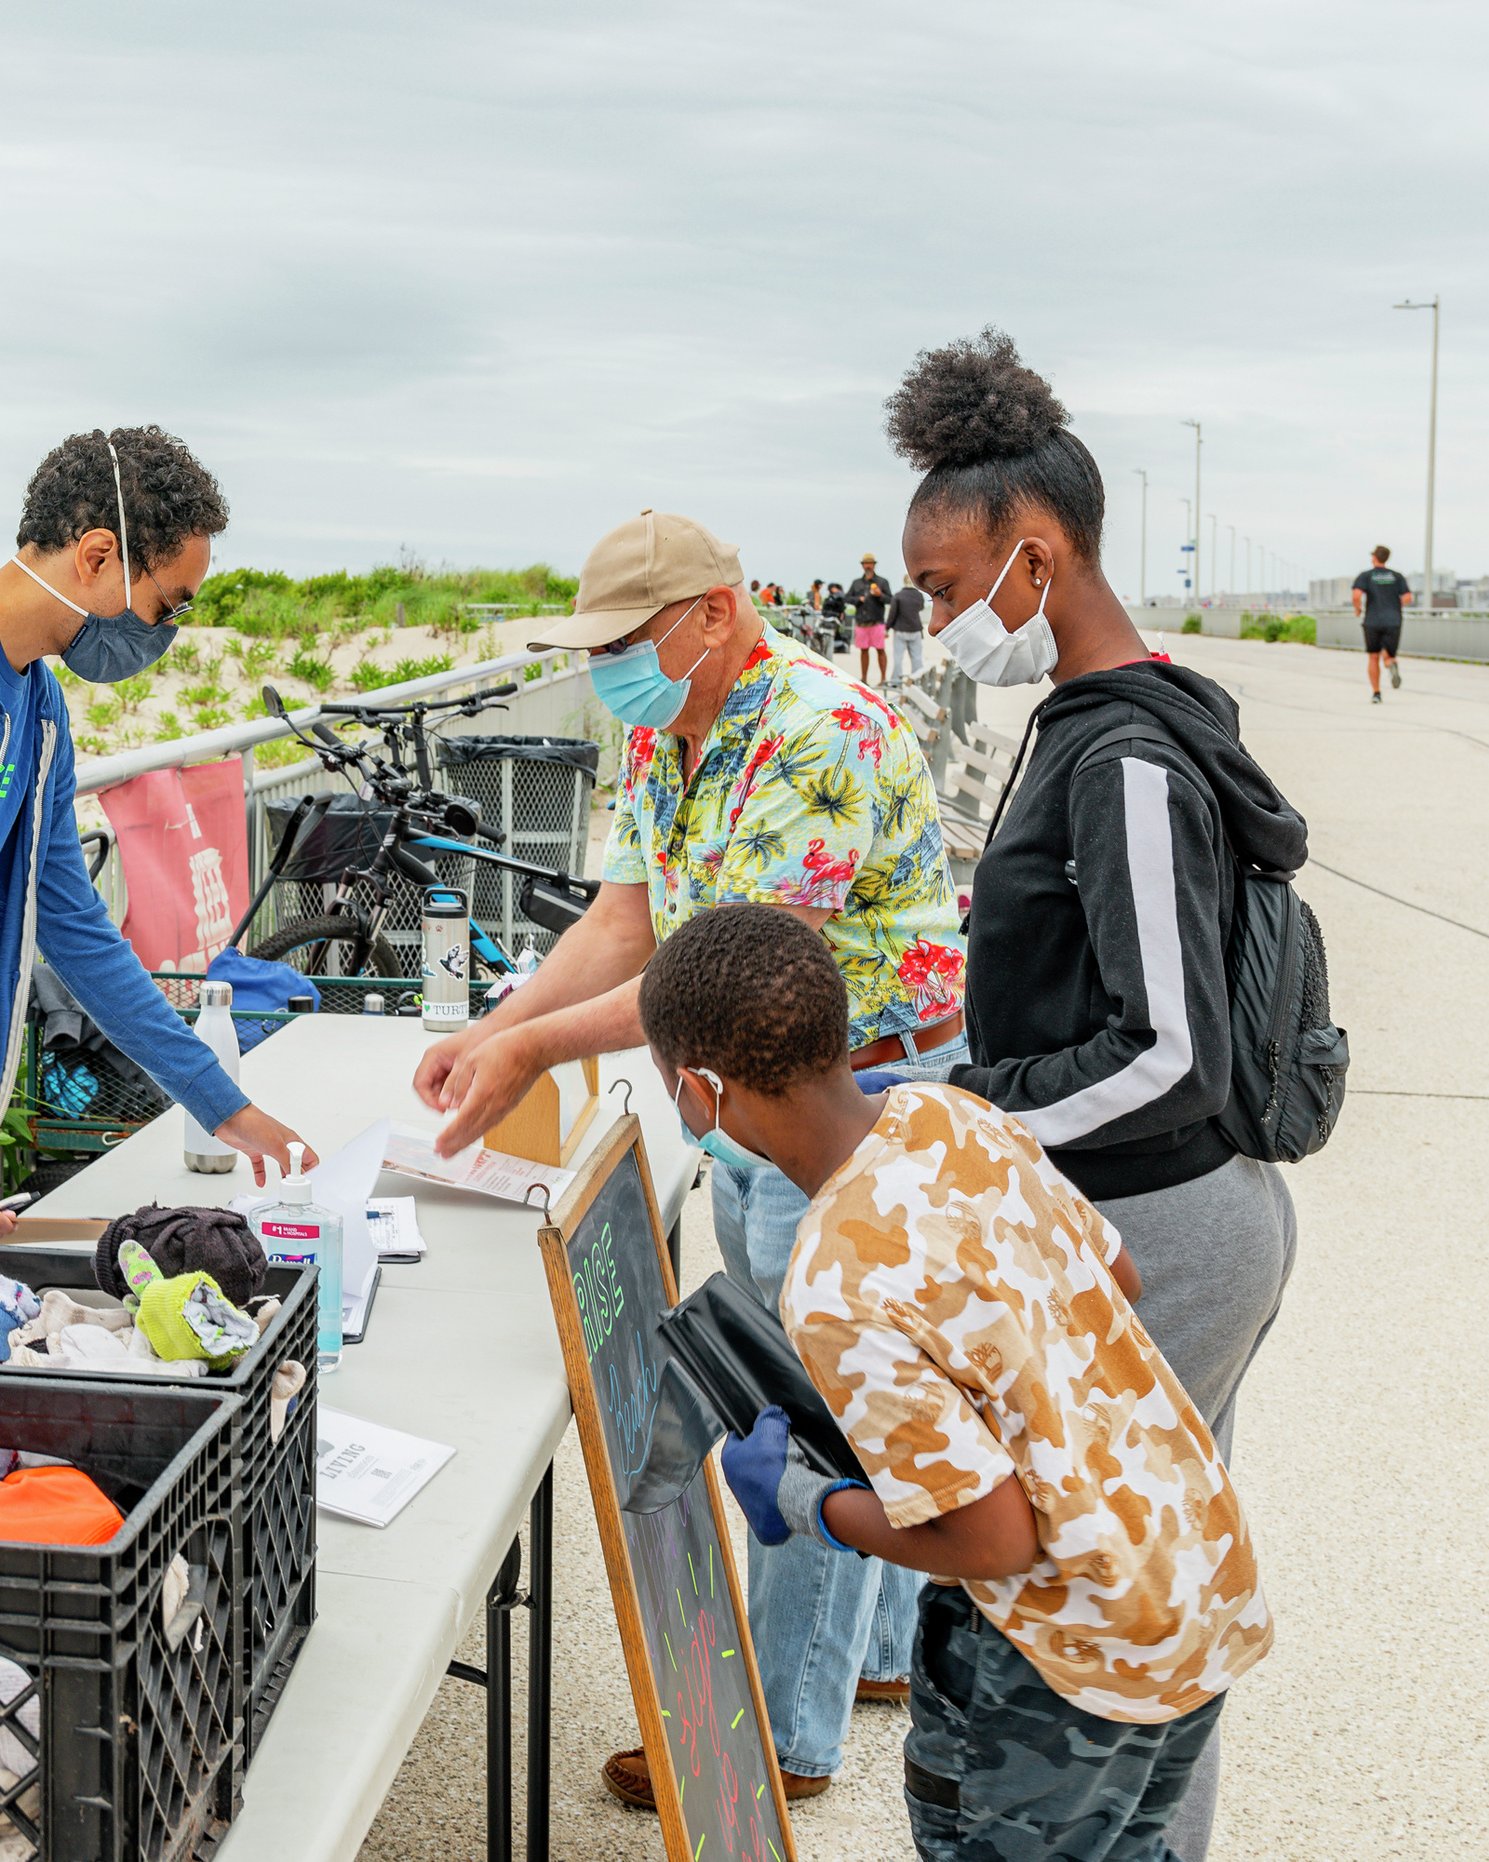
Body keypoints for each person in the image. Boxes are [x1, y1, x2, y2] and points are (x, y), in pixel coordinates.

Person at [412, 507, 969, 1800]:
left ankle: (776, 1736)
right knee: (839, 1377)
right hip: (752, 1092)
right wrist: (499, 1024)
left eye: (627, 640)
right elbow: (624, 918)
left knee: (805, 1396)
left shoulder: (821, 731)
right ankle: (871, 1652)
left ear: (716, 610)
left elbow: (718, 969)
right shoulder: (665, 728)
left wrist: (533, 1055)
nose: (609, 666)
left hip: (851, 1094)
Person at [885, 329, 1300, 1861]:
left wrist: (961, 1117)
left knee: (1108, 1613)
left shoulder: (1123, 752)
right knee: (1159, 1585)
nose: (933, 622)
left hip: (1171, 1227)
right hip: (1160, 1212)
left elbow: (1166, 1050)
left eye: (942, 589)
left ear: (1034, 555)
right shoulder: (1106, 714)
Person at [639, 904, 1273, 1862]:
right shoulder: (950, 1113)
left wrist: (805, 1500)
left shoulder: (835, 1282)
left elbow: (993, 1536)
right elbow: (1122, 1282)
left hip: (1067, 1655)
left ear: (699, 1090)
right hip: (1185, 1574)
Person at [0, 426, 317, 1243]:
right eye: (167, 604)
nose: (164, 633)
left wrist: (226, 1108)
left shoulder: (38, 716)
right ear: (99, 556)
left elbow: (76, 931)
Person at [1351, 544, 1411, 703]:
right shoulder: (1397, 576)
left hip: (1372, 620)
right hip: (1393, 620)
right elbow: (1407, 598)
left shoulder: (1366, 576)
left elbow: (1356, 595)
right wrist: (1393, 605)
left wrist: (1358, 609)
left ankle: (1376, 693)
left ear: (1374, 558)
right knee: (1389, 654)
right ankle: (1391, 663)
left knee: (1373, 656)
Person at [847, 552, 890, 684]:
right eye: (866, 564)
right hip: (861, 622)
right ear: (862, 566)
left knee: (880, 650)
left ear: (874, 565)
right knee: (863, 651)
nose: (868, 566)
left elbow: (890, 599)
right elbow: (847, 598)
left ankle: (883, 678)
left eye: (870, 564)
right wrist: (857, 599)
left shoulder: (882, 582)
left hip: (877, 622)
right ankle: (864, 678)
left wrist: (880, 595)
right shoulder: (856, 583)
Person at [888, 573, 927, 684]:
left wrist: (887, 627)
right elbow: (921, 607)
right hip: (915, 629)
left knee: (898, 658)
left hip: (900, 630)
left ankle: (896, 681)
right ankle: (917, 681)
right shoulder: (919, 595)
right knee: (917, 658)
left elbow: (892, 614)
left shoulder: (898, 595)